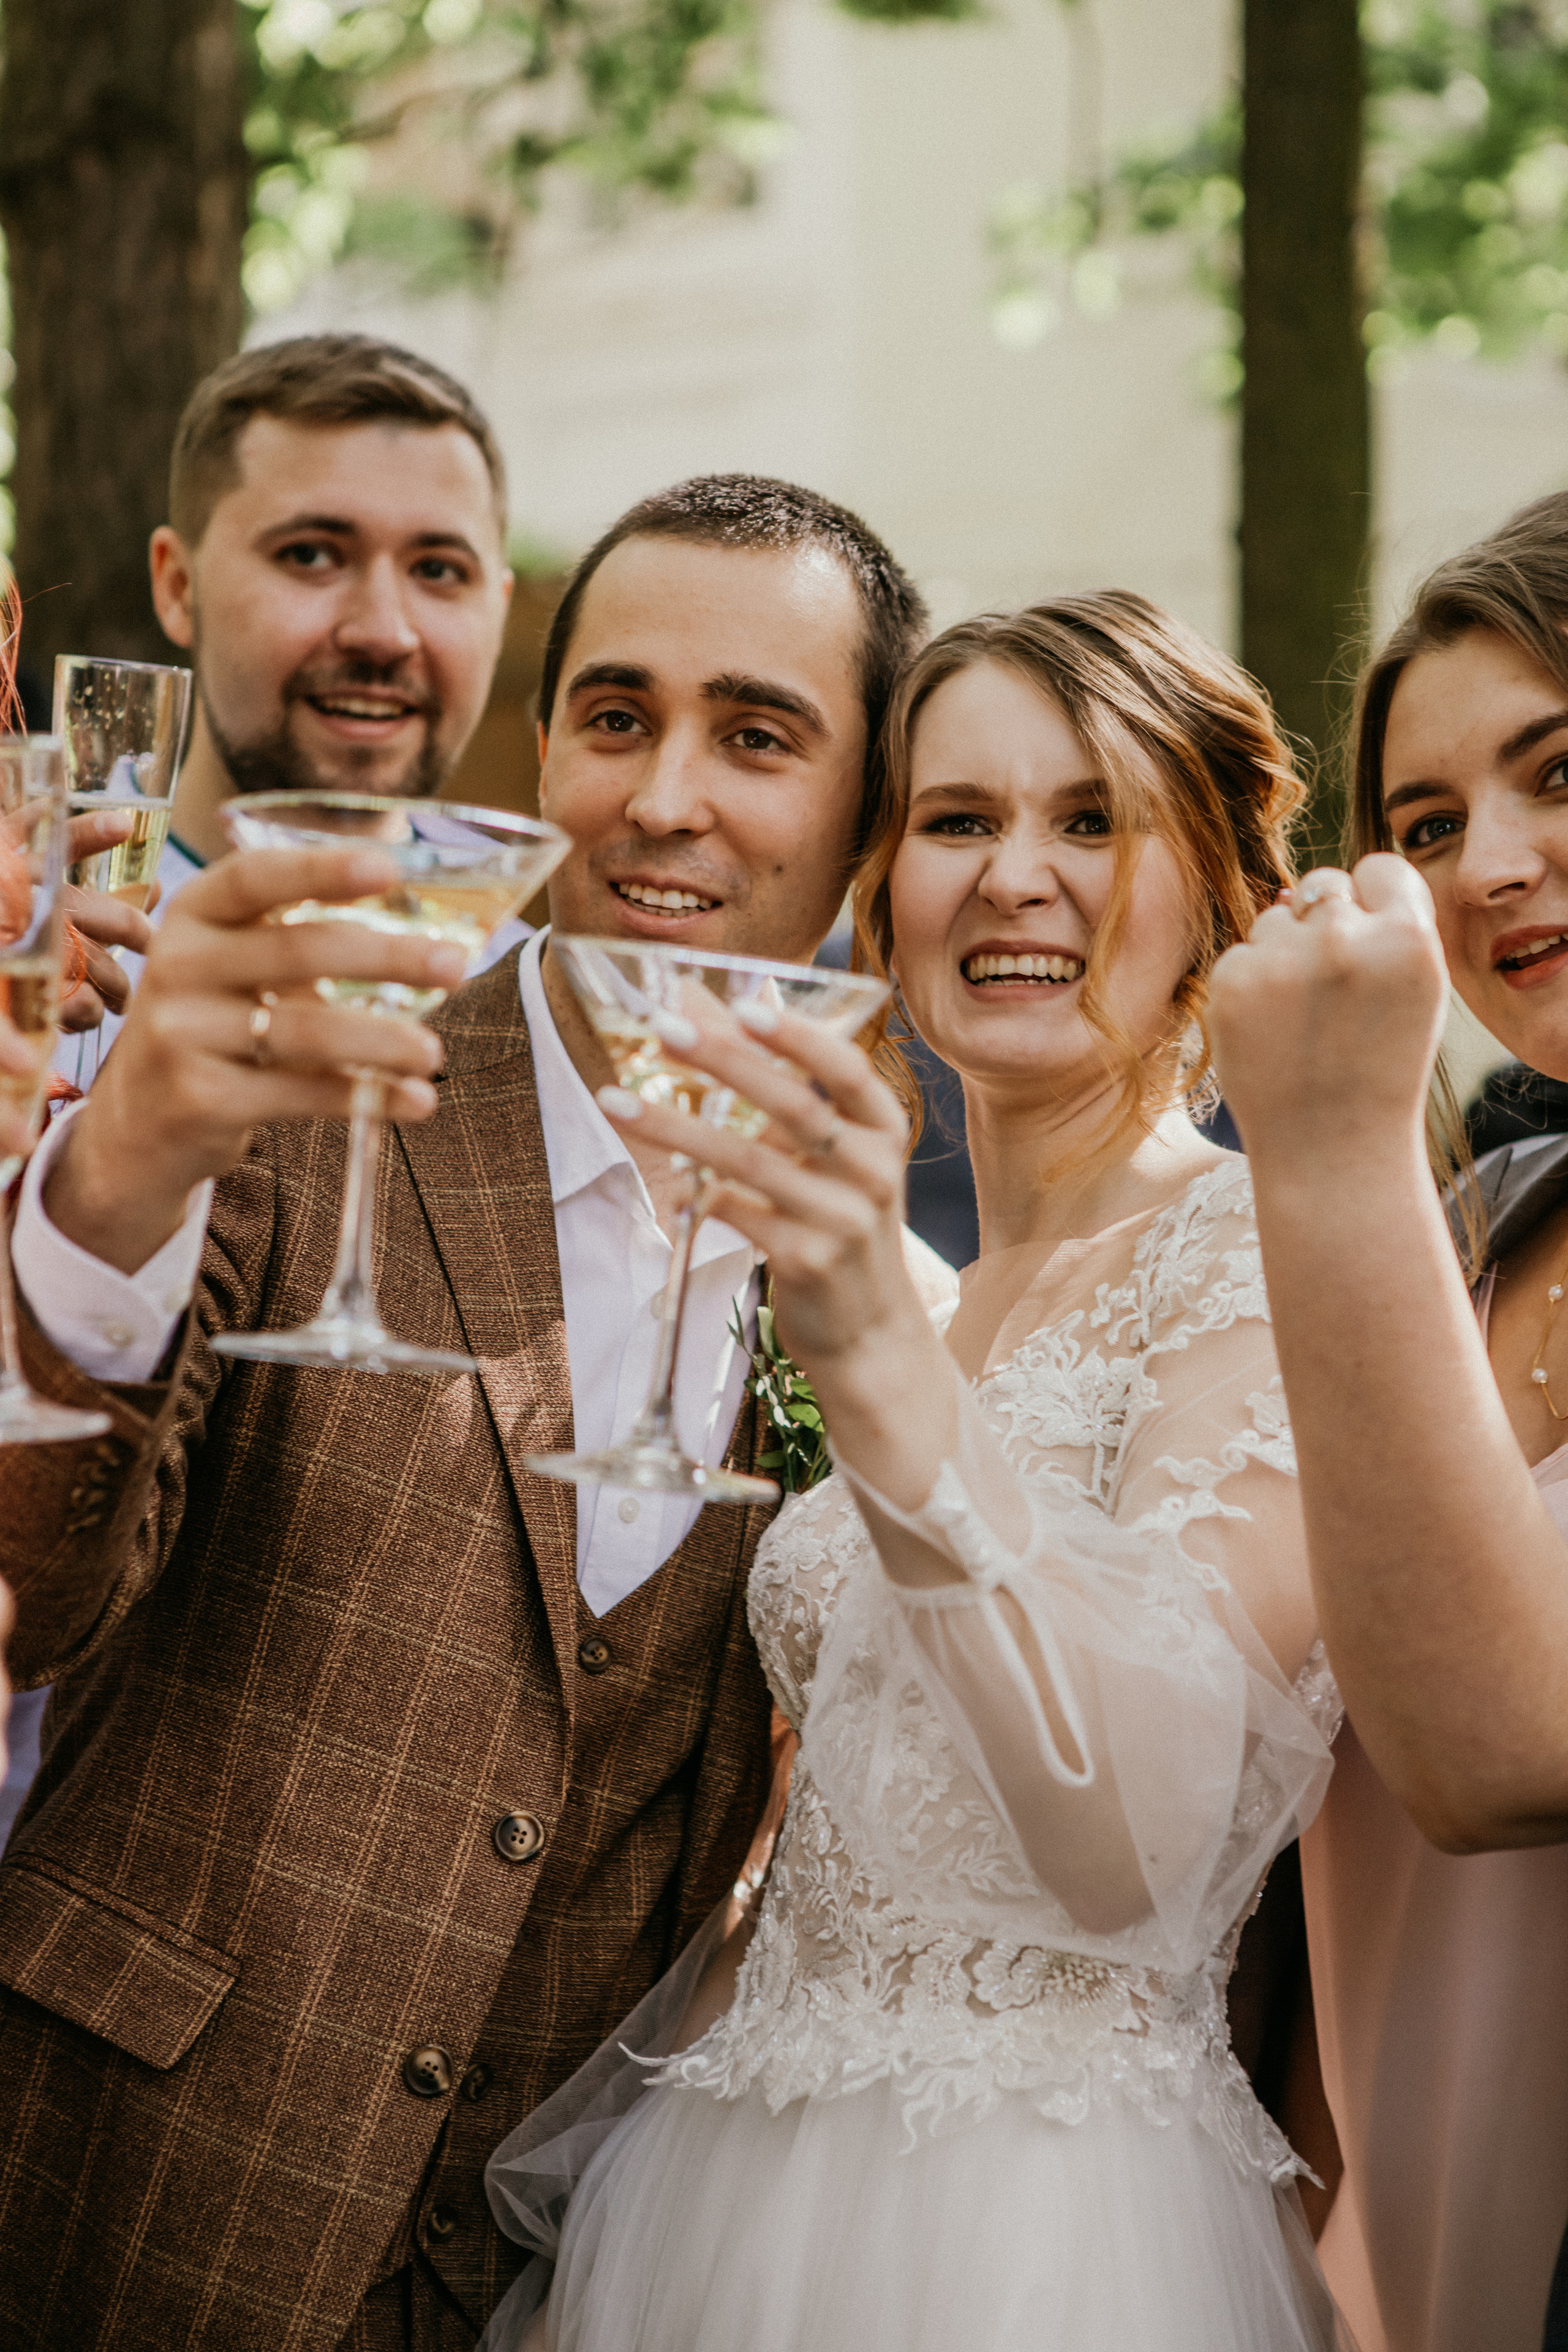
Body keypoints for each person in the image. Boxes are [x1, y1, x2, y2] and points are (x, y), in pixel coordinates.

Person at [0, 473, 945, 2351]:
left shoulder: (859, 1269)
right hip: (122, 2209)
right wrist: (108, 1190)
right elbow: (45, 1584)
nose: (662, 797)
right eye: (614, 718)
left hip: (548, 2270)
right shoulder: (315, 1077)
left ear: (867, 825)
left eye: (754, 736)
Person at [477, 594, 1350, 2352]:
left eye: (1090, 821)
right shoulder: (930, 1289)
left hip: (1030, 2226)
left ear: (1215, 890)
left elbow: (1135, 1844)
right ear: (885, 892)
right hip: (739, 2170)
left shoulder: (1266, 1263)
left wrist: (876, 1378)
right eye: (959, 820)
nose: (1015, 877)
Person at [1207, 492, 1568, 2352]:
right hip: (1371, 2269)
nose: (1486, 865)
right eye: (1424, 826)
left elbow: (1497, 1750)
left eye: (1552, 770)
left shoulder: (1368, 1197)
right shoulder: (1462, 1234)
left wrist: (1328, 1138)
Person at [78, 330, 527, 1074]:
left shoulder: (540, 1002)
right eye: (311, 555)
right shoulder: (37, 938)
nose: (383, 633)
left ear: (499, 610)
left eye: (440, 570)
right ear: (178, 587)